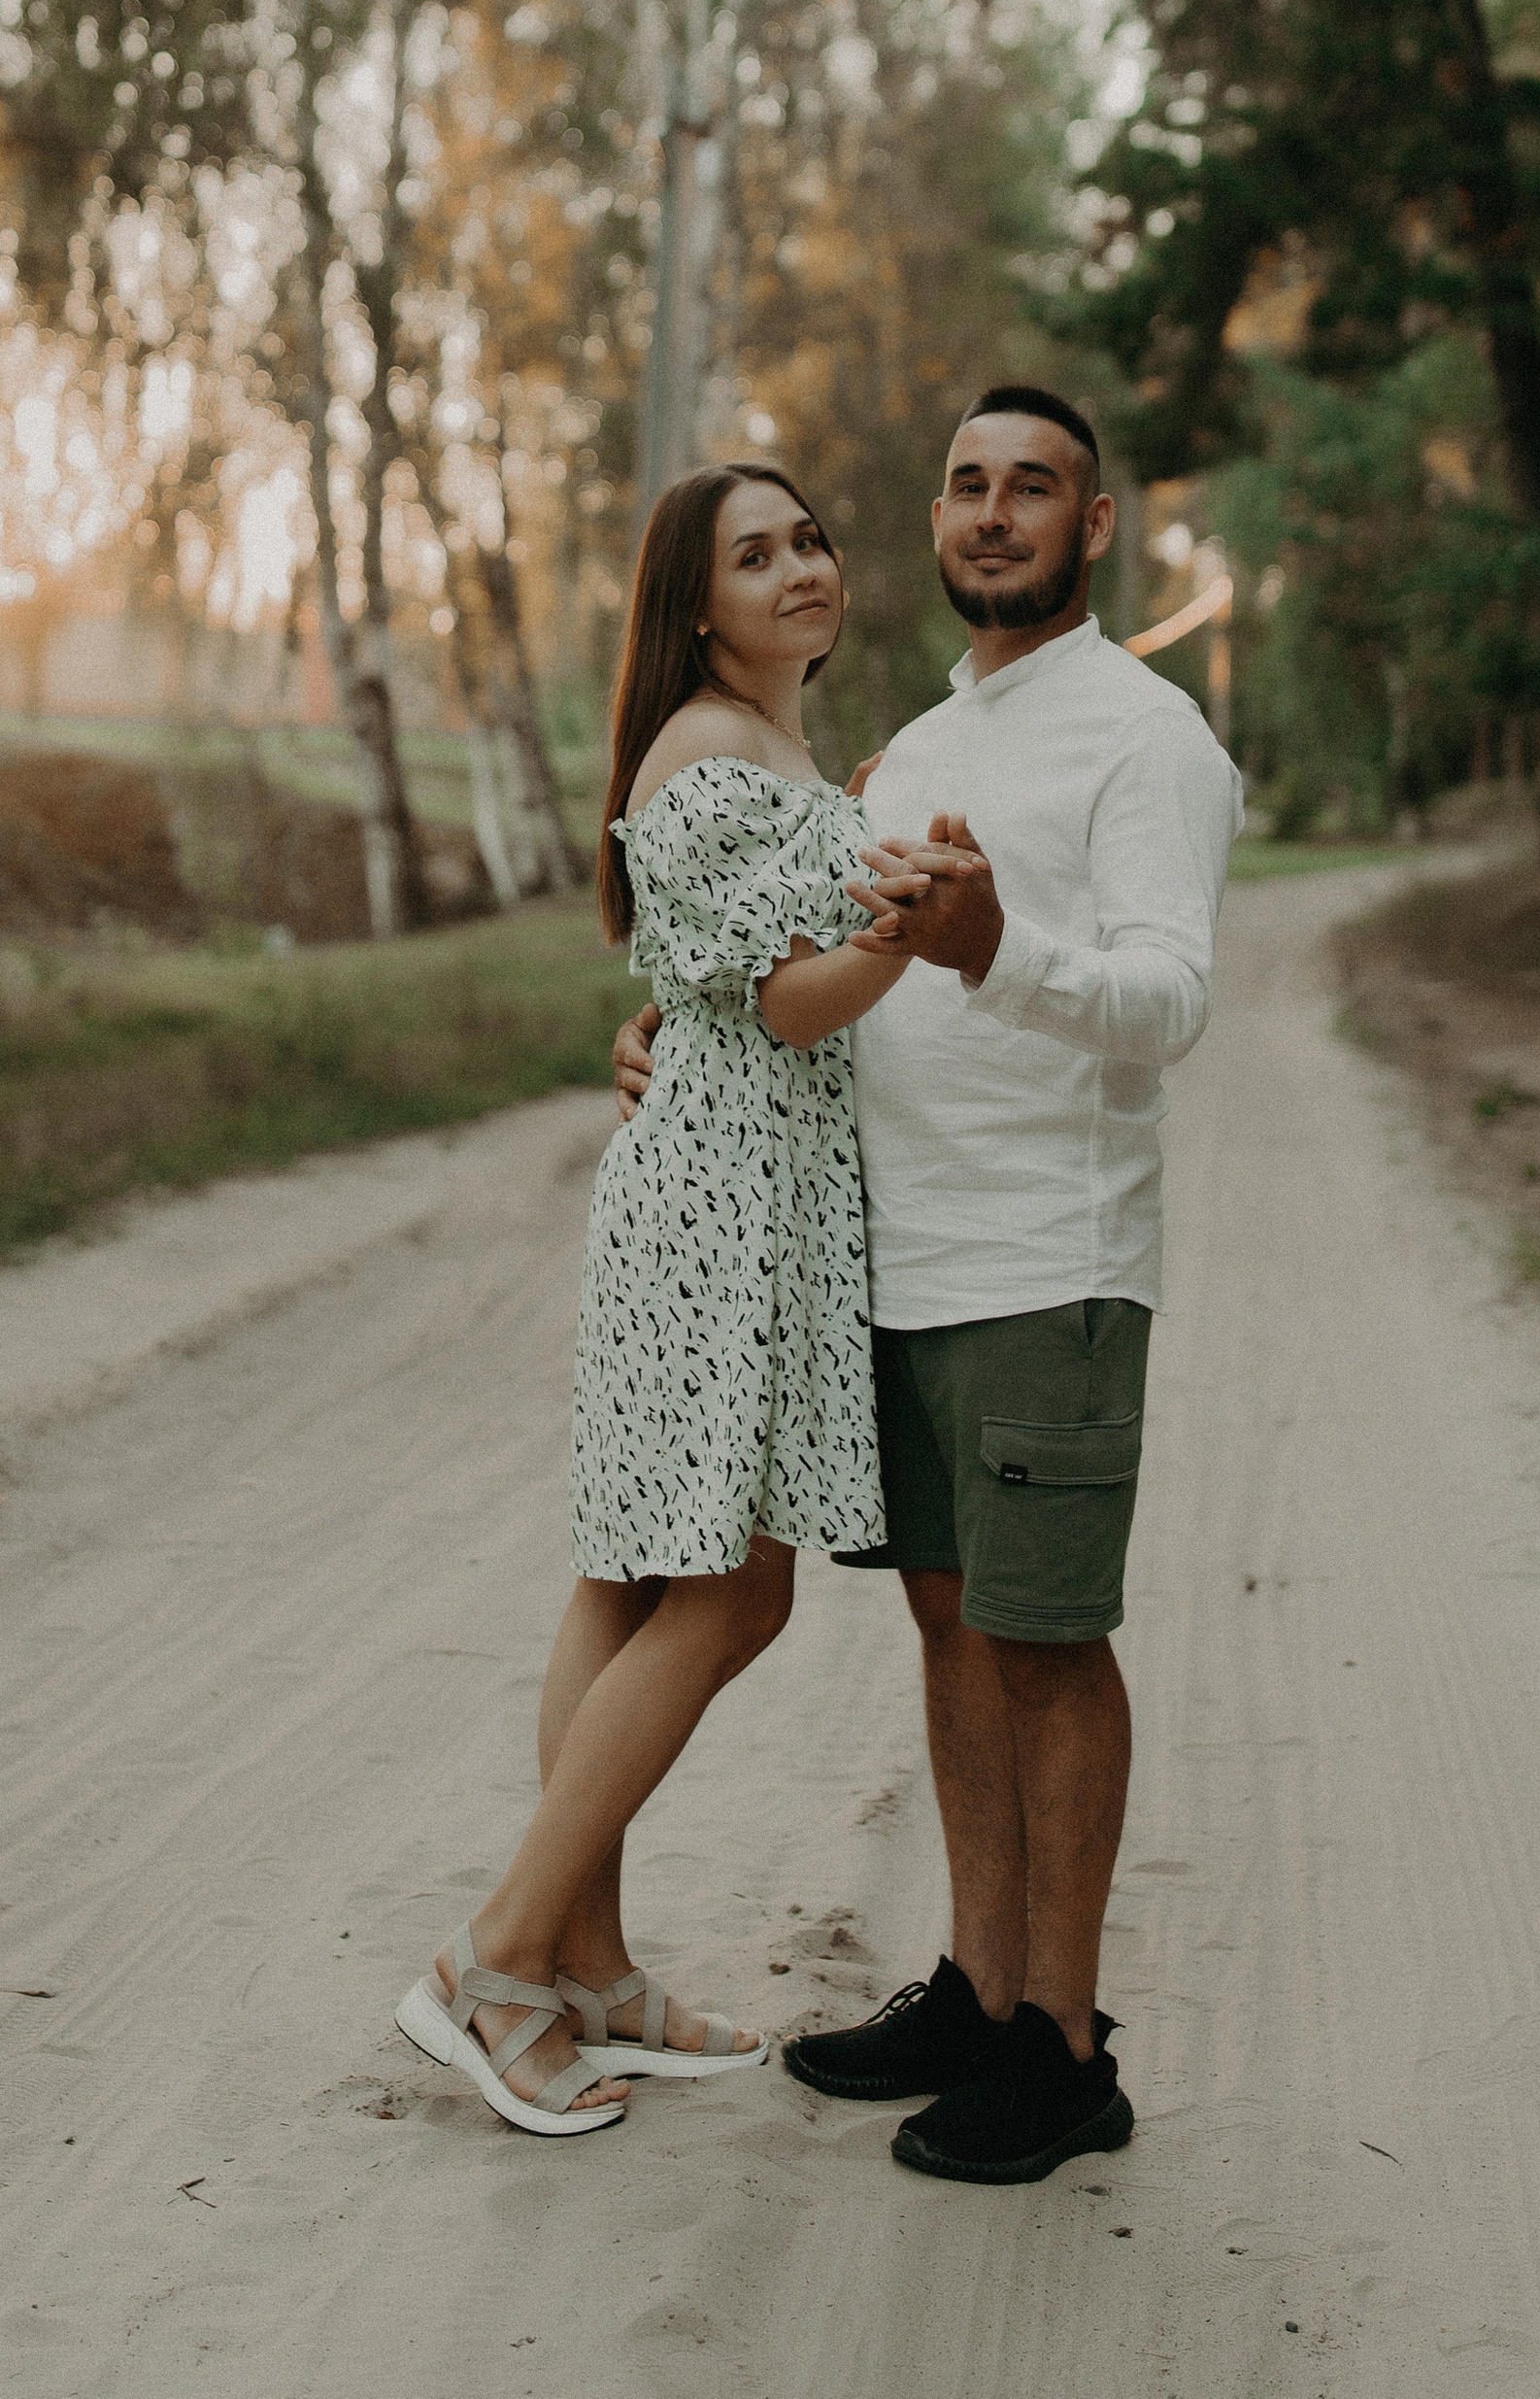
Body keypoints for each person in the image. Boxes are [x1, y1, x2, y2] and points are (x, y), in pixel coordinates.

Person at [615, 385, 1243, 2184]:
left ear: (1093, 524)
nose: (989, 513)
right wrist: (671, 1030)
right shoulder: (902, 745)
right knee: (953, 1629)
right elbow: (789, 969)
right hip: (895, 1262)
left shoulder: (1147, 738)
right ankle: (977, 1989)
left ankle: (1065, 2043)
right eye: (965, 482)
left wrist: (994, 947)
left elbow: (1166, 1004)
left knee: (1048, 1645)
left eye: (1030, 486)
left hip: (1051, 1264)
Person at [397, 459, 914, 2137]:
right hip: (719, 1211)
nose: (799, 571)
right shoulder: (705, 752)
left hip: (730, 1190)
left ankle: (593, 1977)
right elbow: (775, 1005)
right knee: (725, 1595)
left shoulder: (772, 752)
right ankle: (492, 1962)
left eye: (811, 540)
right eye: (756, 556)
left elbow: (700, 985)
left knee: (636, 1582)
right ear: (700, 604)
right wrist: (906, 933)